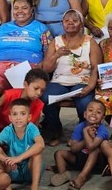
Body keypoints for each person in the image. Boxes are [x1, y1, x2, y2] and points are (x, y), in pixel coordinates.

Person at [39, 9, 102, 144]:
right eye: (67, 21)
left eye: (75, 20)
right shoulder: (56, 41)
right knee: (45, 98)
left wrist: (91, 86)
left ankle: (80, 134)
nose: (70, 23)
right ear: (62, 24)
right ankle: (55, 130)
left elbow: (97, 67)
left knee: (85, 103)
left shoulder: (90, 42)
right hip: (59, 81)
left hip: (82, 81)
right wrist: (56, 55)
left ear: (81, 24)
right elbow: (46, 68)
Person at [0, 0, 52, 101]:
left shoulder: (41, 28)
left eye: (24, 8)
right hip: (0, 74)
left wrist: (40, 67)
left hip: (28, 74)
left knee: (24, 97)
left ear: (32, 10)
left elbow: (49, 54)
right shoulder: (3, 28)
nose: (20, 11)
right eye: (16, 8)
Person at [0, 98, 52, 190]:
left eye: (22, 114)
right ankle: (7, 189)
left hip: (29, 170)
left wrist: (19, 158)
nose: (18, 118)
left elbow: (41, 144)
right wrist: (4, 159)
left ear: (29, 117)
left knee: (36, 153)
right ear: (10, 118)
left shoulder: (31, 128)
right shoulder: (8, 130)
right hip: (13, 170)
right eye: (15, 114)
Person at [55, 99, 109, 190]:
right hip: (80, 158)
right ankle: (63, 174)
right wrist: (86, 136)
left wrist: (85, 132)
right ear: (84, 114)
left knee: (94, 151)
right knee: (59, 153)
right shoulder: (80, 126)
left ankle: (81, 177)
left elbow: (91, 146)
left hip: (97, 163)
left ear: (103, 118)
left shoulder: (102, 130)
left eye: (98, 112)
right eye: (90, 110)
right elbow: (73, 149)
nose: (93, 114)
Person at [0, 68, 49, 139]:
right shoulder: (9, 95)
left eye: (42, 91)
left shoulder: (39, 105)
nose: (39, 93)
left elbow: (34, 130)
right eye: (36, 88)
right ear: (25, 84)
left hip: (18, 138)